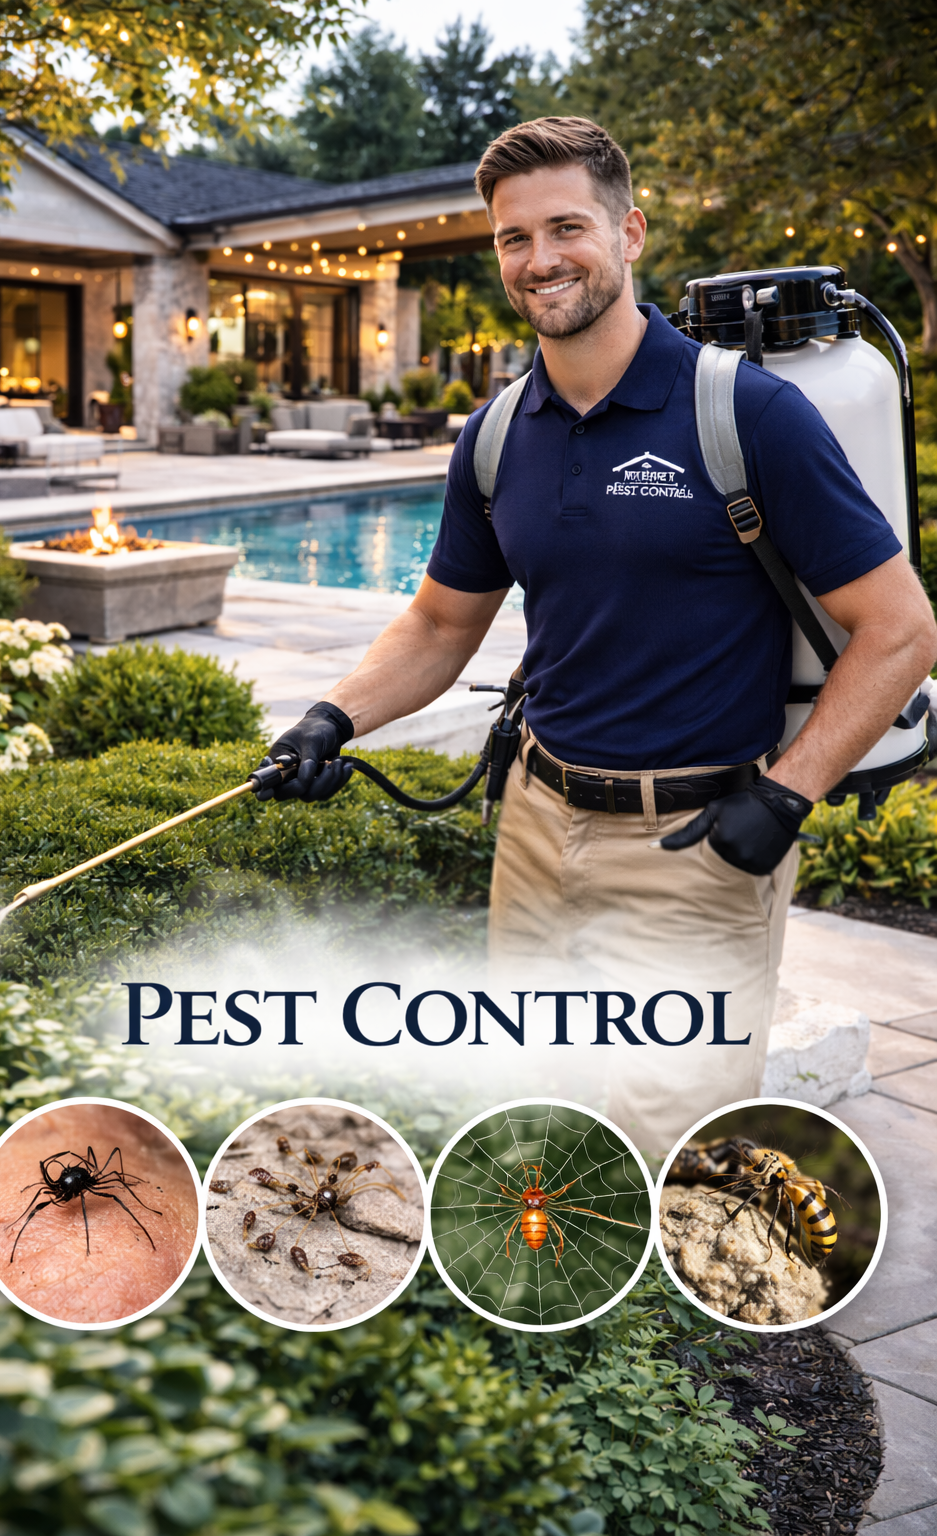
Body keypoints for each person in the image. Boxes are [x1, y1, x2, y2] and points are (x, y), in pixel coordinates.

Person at [258, 117, 937, 1152]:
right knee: (531, 1124)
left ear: (629, 234)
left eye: (565, 227)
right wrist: (330, 716)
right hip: (533, 827)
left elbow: (898, 630)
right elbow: (442, 622)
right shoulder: (494, 435)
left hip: (696, 845)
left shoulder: (744, 415)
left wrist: (785, 795)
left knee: (666, 1150)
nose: (538, 260)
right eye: (512, 238)